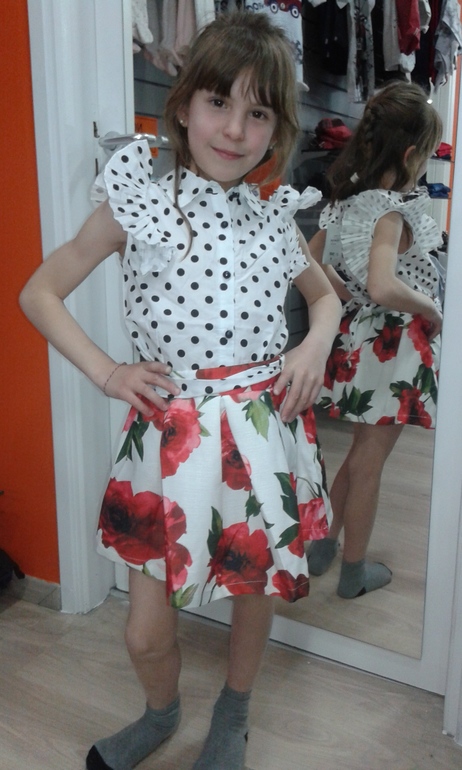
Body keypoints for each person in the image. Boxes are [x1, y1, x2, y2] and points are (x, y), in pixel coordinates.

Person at [20, 11, 341, 770]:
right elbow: (40, 291)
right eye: (219, 102)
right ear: (185, 102)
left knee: (251, 588)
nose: (234, 129)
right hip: (168, 436)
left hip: (258, 432)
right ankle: (160, 712)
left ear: (277, 128)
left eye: (257, 113)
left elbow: (326, 299)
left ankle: (234, 710)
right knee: (145, 629)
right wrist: (108, 372)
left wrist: (313, 346)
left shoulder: (274, 219)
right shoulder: (139, 203)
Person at [307, 81, 443, 600]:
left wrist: (347, 293)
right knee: (370, 463)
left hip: (359, 339)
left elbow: (309, 263)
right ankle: (353, 572)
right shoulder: (389, 211)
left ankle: (324, 547)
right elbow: (385, 285)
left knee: (360, 454)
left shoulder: (344, 203)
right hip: (394, 346)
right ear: (410, 155)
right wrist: (430, 308)